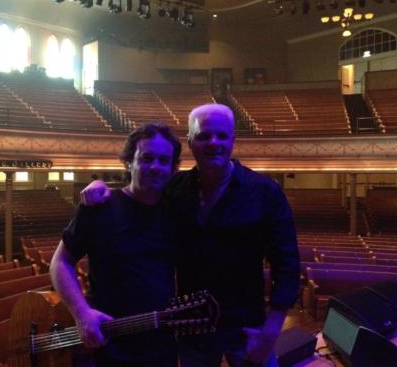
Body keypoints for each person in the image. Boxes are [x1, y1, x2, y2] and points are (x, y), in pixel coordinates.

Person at [81, 104, 300, 367]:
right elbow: (140, 191)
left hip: (247, 329)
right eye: (204, 136)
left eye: (222, 136)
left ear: (233, 140)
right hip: (191, 327)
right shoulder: (175, 188)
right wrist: (102, 187)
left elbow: (286, 264)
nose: (213, 142)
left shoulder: (265, 192)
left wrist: (270, 332)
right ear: (190, 142)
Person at [50, 123, 182, 367]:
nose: (155, 166)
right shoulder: (99, 208)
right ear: (129, 162)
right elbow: (61, 263)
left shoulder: (177, 210)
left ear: (173, 169)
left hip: (160, 342)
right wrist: (81, 314)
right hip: (106, 343)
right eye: (146, 158)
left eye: (164, 160)